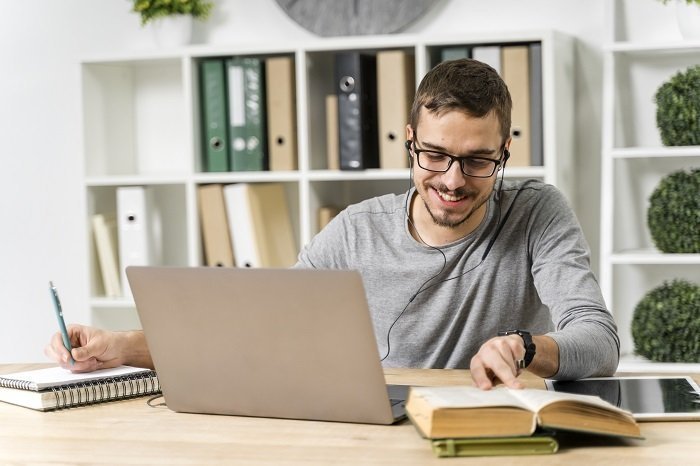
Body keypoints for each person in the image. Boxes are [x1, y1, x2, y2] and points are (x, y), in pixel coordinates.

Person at [46, 58, 619, 390]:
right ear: (410, 141)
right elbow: (256, 332)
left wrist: (523, 347)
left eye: (477, 161)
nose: (452, 179)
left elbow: (599, 340)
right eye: (435, 155)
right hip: (377, 436)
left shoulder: (537, 212)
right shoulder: (353, 232)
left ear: (506, 152)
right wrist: (124, 345)